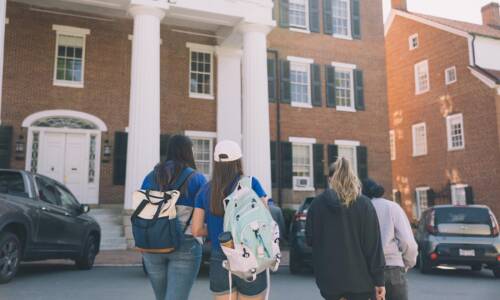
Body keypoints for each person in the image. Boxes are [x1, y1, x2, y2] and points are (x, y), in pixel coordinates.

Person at [191, 140, 269, 300]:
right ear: (238, 160)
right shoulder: (251, 183)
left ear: (215, 162)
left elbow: (196, 230)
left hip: (219, 258)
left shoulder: (205, 189)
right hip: (250, 257)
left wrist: (215, 230)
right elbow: (265, 219)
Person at [306, 157, 386, 300]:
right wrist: (379, 281)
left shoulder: (316, 205)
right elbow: (373, 246)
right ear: (352, 177)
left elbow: (310, 239)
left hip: (329, 283)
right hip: (360, 284)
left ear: (330, 179)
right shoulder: (365, 204)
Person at [140, 135, 207, 300]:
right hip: (186, 242)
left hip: (153, 244)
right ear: (188, 151)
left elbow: (141, 211)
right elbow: (205, 213)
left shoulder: (151, 176)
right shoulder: (197, 178)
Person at [362, 178, 418, 300]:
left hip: (367, 271)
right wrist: (407, 263)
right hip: (394, 269)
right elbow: (408, 242)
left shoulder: (360, 210)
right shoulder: (392, 207)